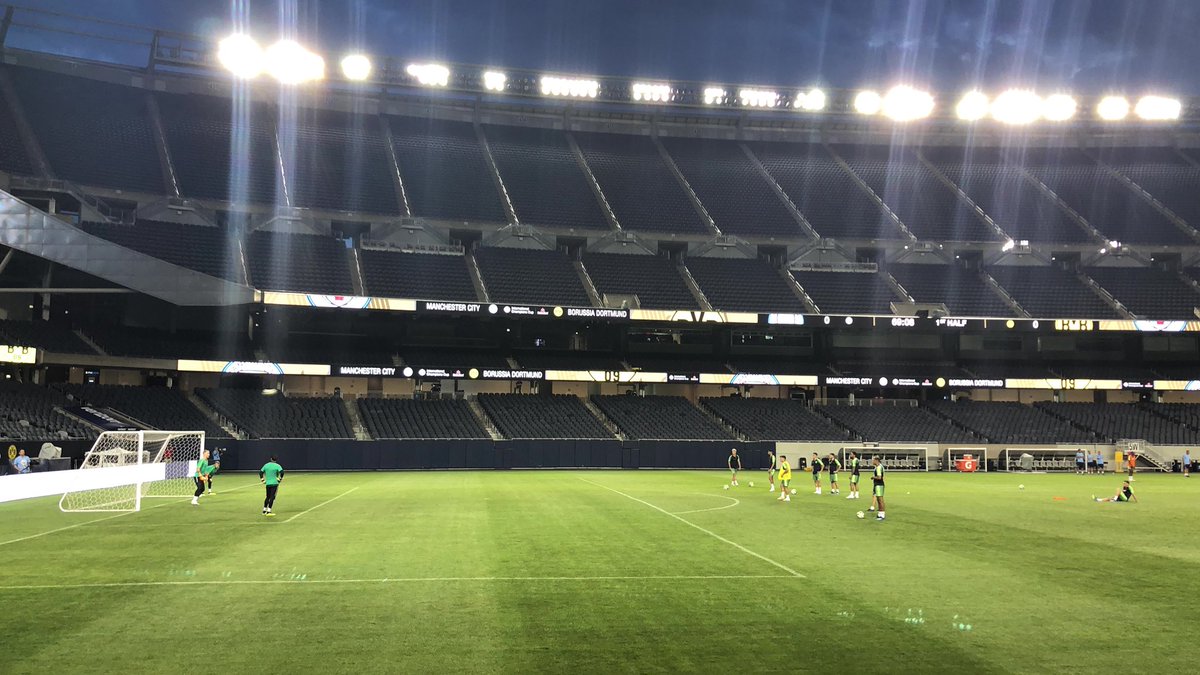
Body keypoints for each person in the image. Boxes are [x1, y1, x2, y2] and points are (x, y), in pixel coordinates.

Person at [870, 456, 886, 520]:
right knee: (879, 499)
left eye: (873, 460)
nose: (872, 461)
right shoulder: (879, 466)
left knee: (880, 499)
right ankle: (880, 513)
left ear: (876, 460)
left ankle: (882, 515)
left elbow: (879, 477)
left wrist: (873, 477)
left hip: (879, 485)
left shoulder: (879, 467)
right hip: (878, 485)